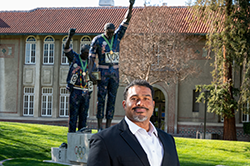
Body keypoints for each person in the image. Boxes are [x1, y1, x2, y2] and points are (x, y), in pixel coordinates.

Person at [87, 79, 180, 166]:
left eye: (146, 98)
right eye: (134, 98)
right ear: (124, 104)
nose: (140, 103)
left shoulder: (169, 141)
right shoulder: (104, 140)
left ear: (153, 104)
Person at [88, 0, 135, 131]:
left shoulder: (117, 37)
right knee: (101, 98)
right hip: (102, 72)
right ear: (104, 31)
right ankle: (99, 126)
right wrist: (91, 73)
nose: (110, 34)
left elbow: (126, 20)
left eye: (112, 32)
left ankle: (108, 126)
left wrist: (131, 5)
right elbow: (91, 58)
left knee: (112, 99)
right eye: (108, 32)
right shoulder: (97, 40)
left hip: (114, 73)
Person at [64, 28, 94, 132]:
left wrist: (95, 78)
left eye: (88, 53)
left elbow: (95, 77)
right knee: (73, 115)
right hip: (75, 90)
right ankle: (71, 136)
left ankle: (81, 135)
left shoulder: (91, 63)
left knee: (83, 115)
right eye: (85, 53)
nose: (87, 55)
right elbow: (66, 48)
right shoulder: (75, 58)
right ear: (81, 52)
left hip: (85, 91)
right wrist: (69, 37)